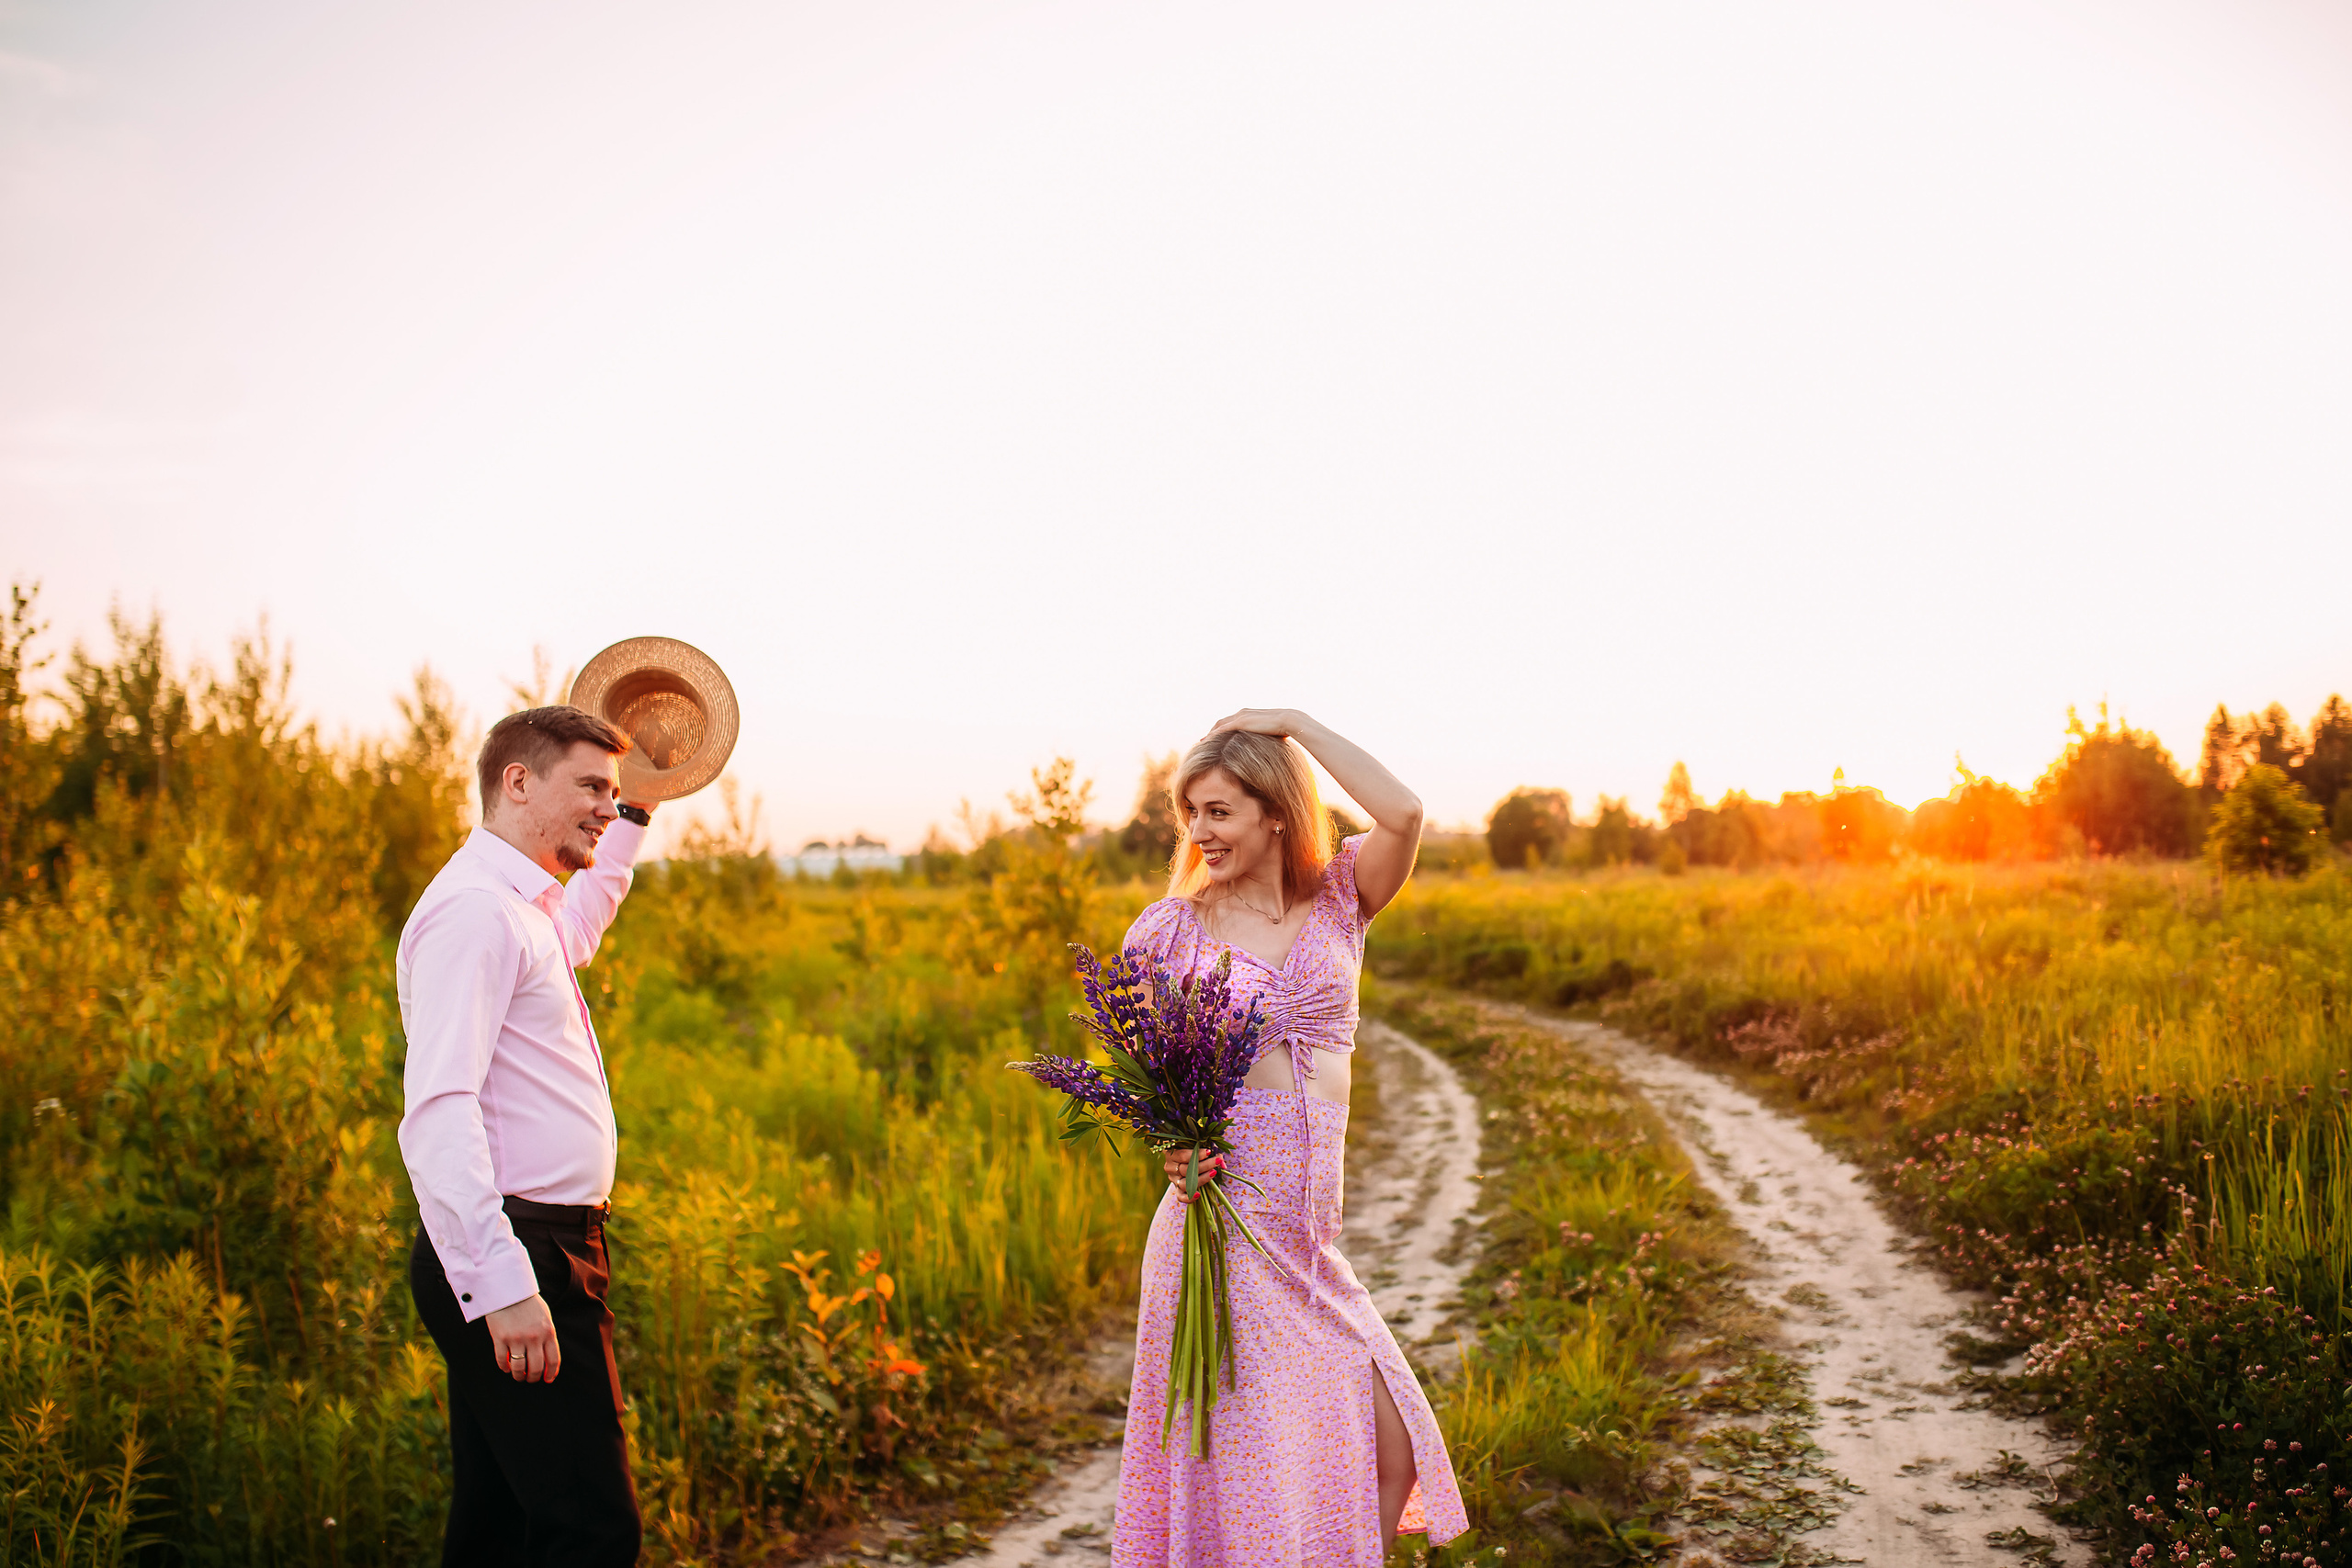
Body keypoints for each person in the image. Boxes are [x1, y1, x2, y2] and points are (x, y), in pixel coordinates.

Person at [1112, 709, 1469, 1568]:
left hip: (1308, 1242)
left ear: (1276, 810)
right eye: (1190, 812)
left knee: (1391, 1450)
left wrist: (1295, 725)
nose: (1200, 831)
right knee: (1245, 1483)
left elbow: (1407, 813)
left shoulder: (1343, 897)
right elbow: (1152, 1095)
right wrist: (1173, 1150)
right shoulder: (1168, 933)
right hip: (1222, 1236)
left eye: (1220, 810)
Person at [398, 705, 654, 1567]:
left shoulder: (525, 908)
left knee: (499, 1527)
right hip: (519, 1247)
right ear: (517, 780)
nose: (607, 809)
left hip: (542, 1240)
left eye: (616, 795)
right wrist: (503, 1283)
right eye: (592, 787)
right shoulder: (475, 914)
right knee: (591, 1530)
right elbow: (440, 1108)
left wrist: (637, 824)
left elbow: (576, 929)